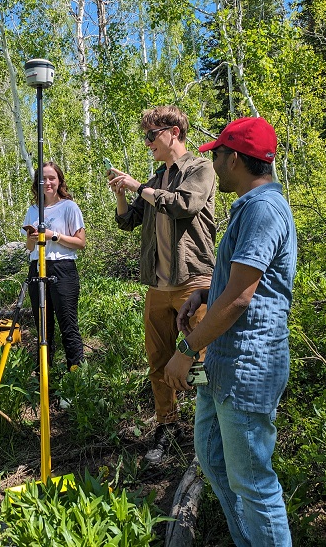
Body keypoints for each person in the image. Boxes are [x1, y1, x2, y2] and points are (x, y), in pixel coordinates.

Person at [163, 117, 297, 546]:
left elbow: (242, 299)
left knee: (254, 484)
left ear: (235, 158)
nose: (214, 163)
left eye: (217, 154)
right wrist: (205, 291)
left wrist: (186, 350)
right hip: (222, 364)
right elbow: (240, 283)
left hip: (247, 368)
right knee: (214, 461)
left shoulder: (262, 209)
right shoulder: (250, 207)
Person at [107, 105, 216, 464]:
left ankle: (209, 429)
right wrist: (124, 193)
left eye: (152, 135)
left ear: (174, 131)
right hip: (158, 286)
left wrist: (139, 186)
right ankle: (167, 426)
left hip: (194, 281)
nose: (148, 142)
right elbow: (129, 221)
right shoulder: (154, 181)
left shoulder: (200, 168)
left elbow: (184, 205)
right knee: (158, 359)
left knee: (200, 360)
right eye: (146, 136)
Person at [23, 161, 86, 374]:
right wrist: (32, 238)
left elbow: (80, 242)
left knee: (67, 324)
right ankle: (44, 378)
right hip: (37, 267)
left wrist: (54, 236)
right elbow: (29, 247)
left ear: (59, 181)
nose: (47, 183)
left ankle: (76, 380)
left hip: (63, 268)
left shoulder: (69, 207)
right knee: (43, 327)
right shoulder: (32, 210)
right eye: (43, 179)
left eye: (52, 178)